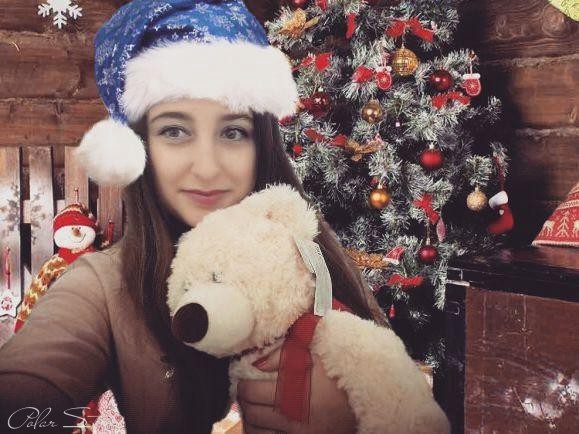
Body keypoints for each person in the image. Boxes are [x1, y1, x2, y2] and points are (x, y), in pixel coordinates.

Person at [0, 0, 391, 433]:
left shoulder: (315, 259)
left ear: (261, 144)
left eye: (232, 132)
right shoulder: (104, 285)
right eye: (175, 131)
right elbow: (25, 389)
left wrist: (356, 418)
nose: (207, 167)